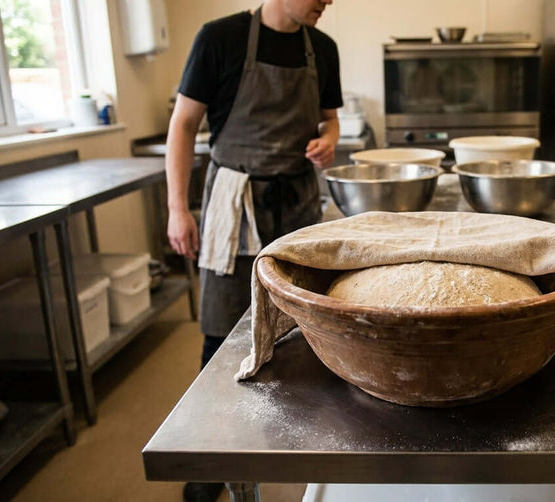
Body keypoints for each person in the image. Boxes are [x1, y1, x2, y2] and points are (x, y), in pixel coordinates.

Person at [165, 1, 341, 500]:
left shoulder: (321, 49)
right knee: (221, 334)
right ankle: (208, 457)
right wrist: (179, 210)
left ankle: (296, 441)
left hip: (298, 206)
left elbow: (330, 122)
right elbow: (183, 125)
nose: (328, 1)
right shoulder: (218, 38)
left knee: (302, 327)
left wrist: (328, 141)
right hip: (235, 205)